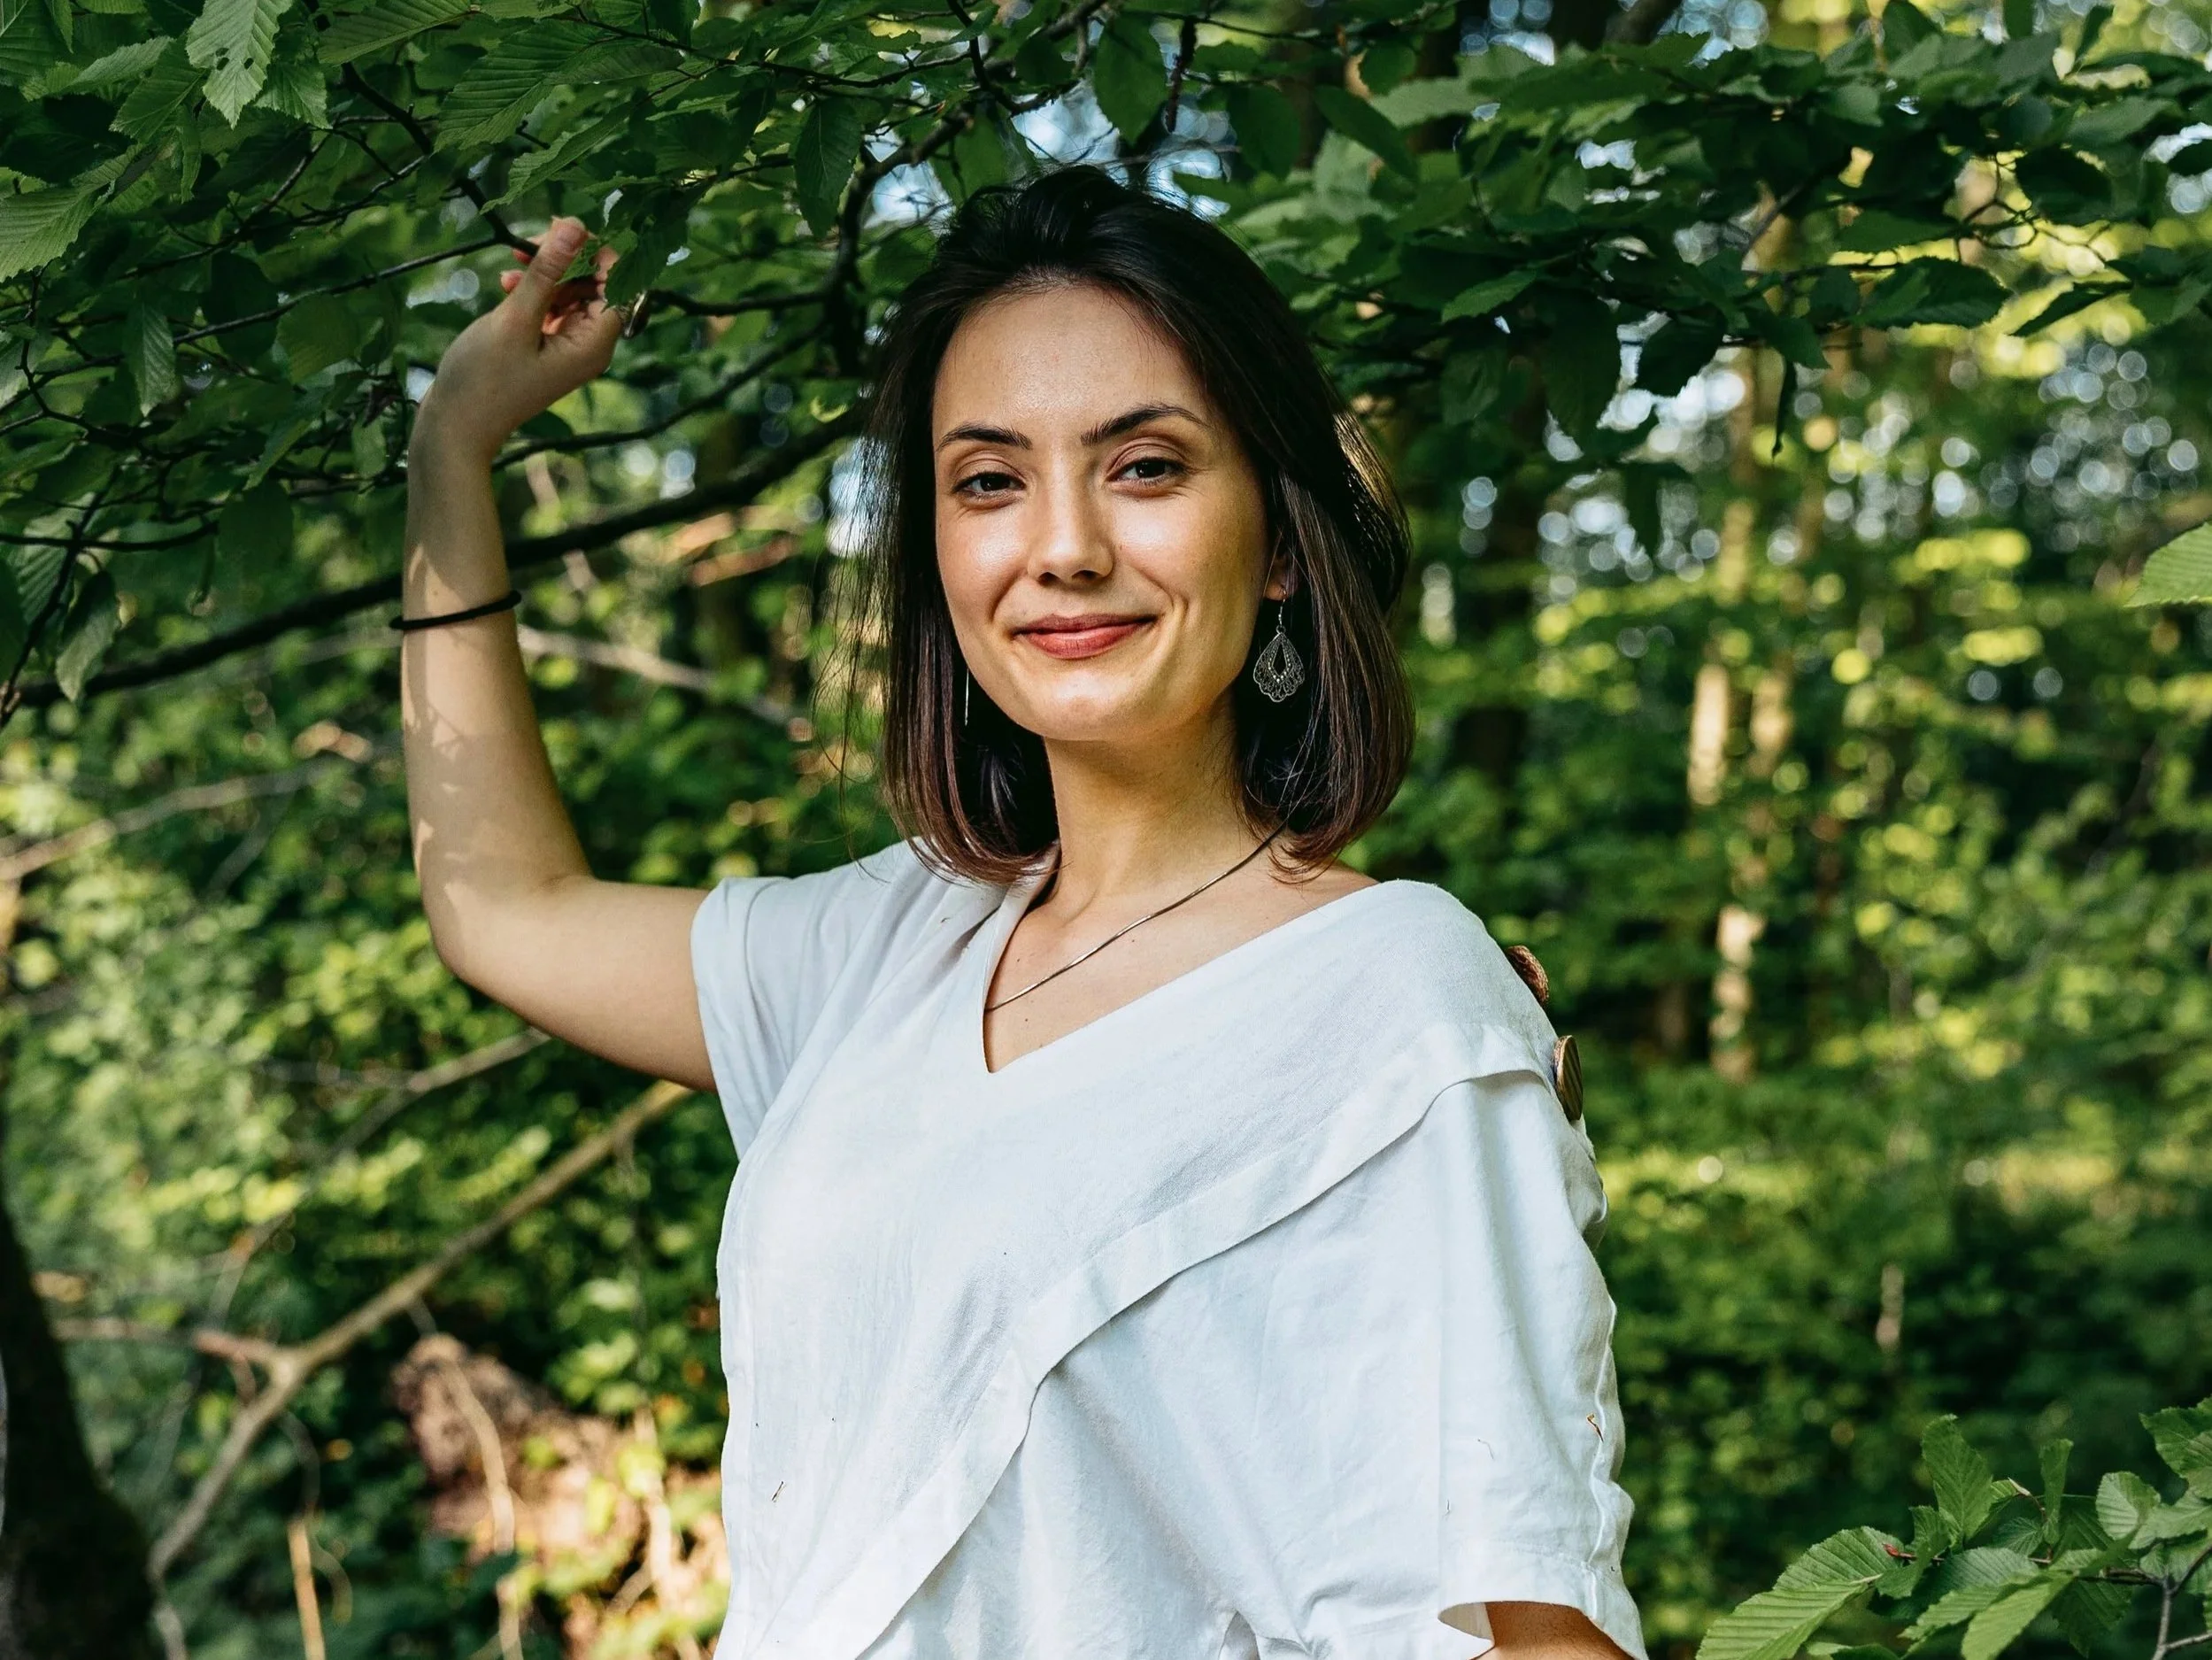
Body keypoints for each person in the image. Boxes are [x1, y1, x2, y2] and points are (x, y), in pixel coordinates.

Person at [400, 162, 1646, 1660]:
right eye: (989, 479)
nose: (1061, 544)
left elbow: (1526, 1618)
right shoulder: (888, 945)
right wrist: (450, 451)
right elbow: (506, 910)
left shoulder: (1396, 999)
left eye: (1145, 465)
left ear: (1274, 544)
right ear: (935, 550)